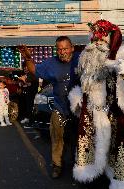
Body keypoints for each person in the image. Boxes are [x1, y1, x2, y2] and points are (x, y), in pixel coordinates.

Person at [68, 20, 124, 189]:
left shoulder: (122, 58)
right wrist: (78, 99)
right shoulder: (85, 61)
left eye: (101, 40)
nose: (97, 44)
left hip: (117, 116)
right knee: (95, 159)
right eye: (94, 40)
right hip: (93, 115)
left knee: (118, 159)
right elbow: (80, 86)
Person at [18, 36, 80, 179]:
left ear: (72, 48)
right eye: (59, 49)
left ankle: (78, 164)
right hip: (59, 109)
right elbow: (34, 70)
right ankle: (57, 165)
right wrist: (28, 58)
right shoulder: (51, 63)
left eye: (65, 48)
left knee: (79, 139)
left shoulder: (81, 58)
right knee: (57, 139)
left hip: (78, 110)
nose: (62, 52)